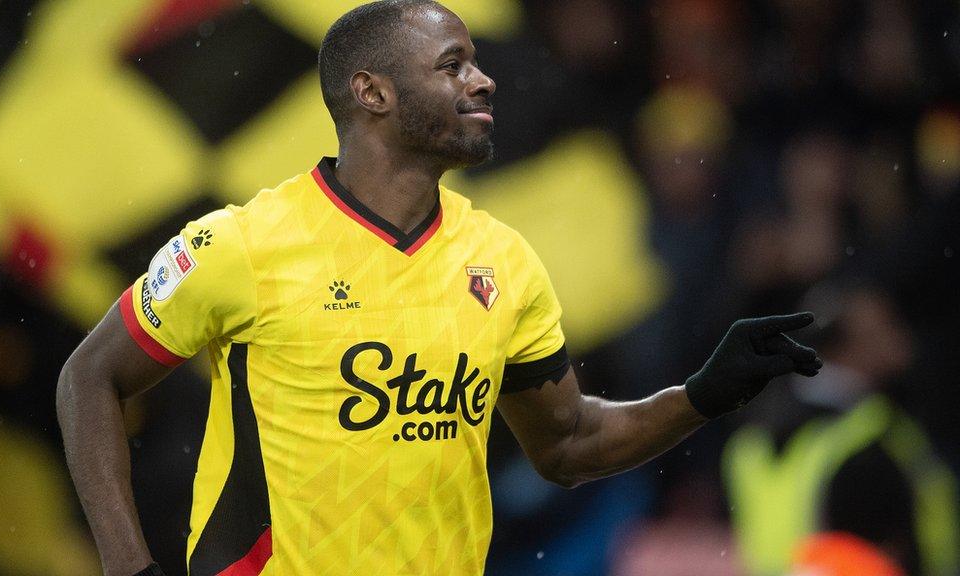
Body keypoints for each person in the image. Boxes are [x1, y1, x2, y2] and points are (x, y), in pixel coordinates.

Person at [56, 2, 822, 575]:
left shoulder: (503, 261)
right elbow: (90, 377)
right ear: (374, 93)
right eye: (452, 64)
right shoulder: (242, 244)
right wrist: (130, 568)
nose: (483, 79)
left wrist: (700, 395)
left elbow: (568, 442)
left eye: (476, 60)